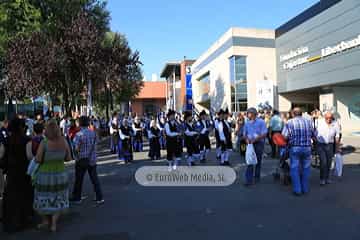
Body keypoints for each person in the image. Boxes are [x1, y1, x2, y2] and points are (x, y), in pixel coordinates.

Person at [33, 121, 71, 232]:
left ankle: (45, 221)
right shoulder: (64, 142)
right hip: (60, 174)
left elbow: (38, 159)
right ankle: (54, 223)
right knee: (58, 197)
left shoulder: (44, 143)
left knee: (43, 197)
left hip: (45, 174)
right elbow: (68, 158)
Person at [2, 118, 33, 233]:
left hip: (11, 171)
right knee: (24, 195)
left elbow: (2, 156)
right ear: (22, 127)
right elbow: (29, 157)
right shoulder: (26, 140)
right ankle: (23, 220)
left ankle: (9, 221)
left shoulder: (7, 140)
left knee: (10, 197)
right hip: (23, 171)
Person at [282, 107, 316, 196]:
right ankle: (305, 188)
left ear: (293, 114)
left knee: (294, 168)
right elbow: (314, 135)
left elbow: (285, 136)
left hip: (295, 148)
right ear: (301, 114)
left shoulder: (289, 122)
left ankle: (297, 189)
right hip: (307, 148)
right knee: (306, 168)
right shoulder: (308, 122)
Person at [70, 116, 104, 205]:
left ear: (80, 124)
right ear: (88, 123)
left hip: (81, 160)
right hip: (92, 159)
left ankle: (77, 197)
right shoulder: (93, 133)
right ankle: (99, 197)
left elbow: (76, 148)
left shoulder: (79, 134)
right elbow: (97, 143)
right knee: (94, 179)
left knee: (79, 180)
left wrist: (76, 155)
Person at [243, 108, 268, 186]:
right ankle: (249, 180)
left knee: (258, 161)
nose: (247, 114)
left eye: (248, 113)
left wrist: (256, 139)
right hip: (250, 144)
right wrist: (246, 139)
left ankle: (257, 176)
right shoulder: (247, 123)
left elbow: (264, 133)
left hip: (259, 143)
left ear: (253, 114)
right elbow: (244, 134)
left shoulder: (261, 122)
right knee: (250, 161)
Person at [316, 111, 341, 186]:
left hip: (330, 145)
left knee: (329, 162)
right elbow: (314, 132)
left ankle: (327, 178)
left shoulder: (335, 124)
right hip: (321, 144)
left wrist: (337, 147)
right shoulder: (319, 122)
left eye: (330, 118)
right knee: (323, 162)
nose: (328, 120)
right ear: (324, 117)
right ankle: (322, 179)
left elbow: (337, 135)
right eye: (327, 118)